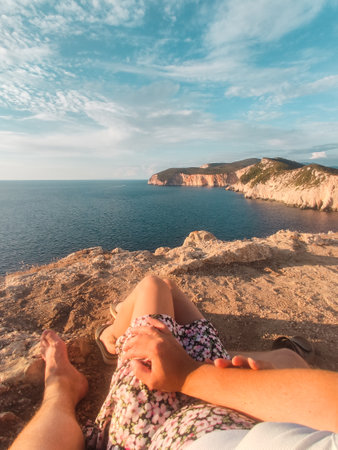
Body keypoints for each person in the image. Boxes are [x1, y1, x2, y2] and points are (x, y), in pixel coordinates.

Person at [10, 276, 338, 450]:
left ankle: (82, 366)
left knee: (154, 285)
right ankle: (130, 320)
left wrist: (187, 374)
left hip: (156, 425)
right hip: (234, 401)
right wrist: (194, 373)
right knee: (288, 357)